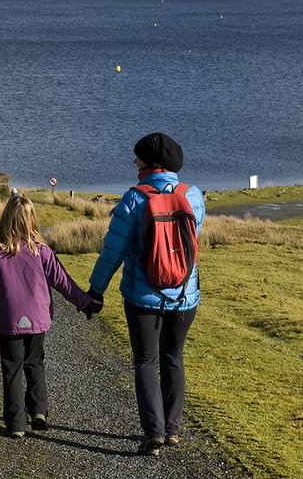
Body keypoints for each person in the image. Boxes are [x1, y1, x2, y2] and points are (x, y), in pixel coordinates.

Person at [87, 132, 204, 456]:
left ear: (150, 163)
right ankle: (173, 429)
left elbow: (112, 251)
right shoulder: (193, 196)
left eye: (137, 158)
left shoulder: (134, 199)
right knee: (173, 358)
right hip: (184, 295)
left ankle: (153, 432)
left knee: (145, 361)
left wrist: (96, 290)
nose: (133, 162)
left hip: (143, 299)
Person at [0, 191, 96, 438]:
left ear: (7, 218)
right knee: (35, 362)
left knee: (12, 368)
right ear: (32, 220)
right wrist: (85, 303)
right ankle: (39, 410)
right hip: (38, 319)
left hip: (10, 320)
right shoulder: (43, 252)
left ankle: (16, 423)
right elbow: (63, 282)